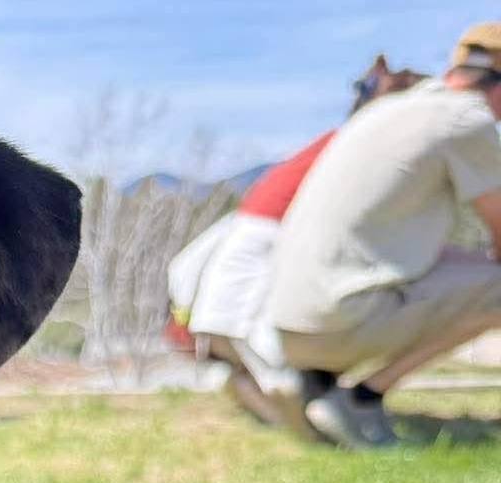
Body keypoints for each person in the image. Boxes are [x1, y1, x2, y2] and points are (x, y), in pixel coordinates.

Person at [264, 23, 501, 447]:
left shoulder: (387, 110)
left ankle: (315, 381)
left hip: (287, 326)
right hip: (339, 322)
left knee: (460, 264)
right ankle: (362, 397)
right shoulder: (467, 118)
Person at [168, 57, 424, 425]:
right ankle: (283, 403)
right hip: (266, 245)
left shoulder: (337, 141)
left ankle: (267, 393)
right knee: (276, 365)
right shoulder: (352, 144)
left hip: (254, 243)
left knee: (264, 349)